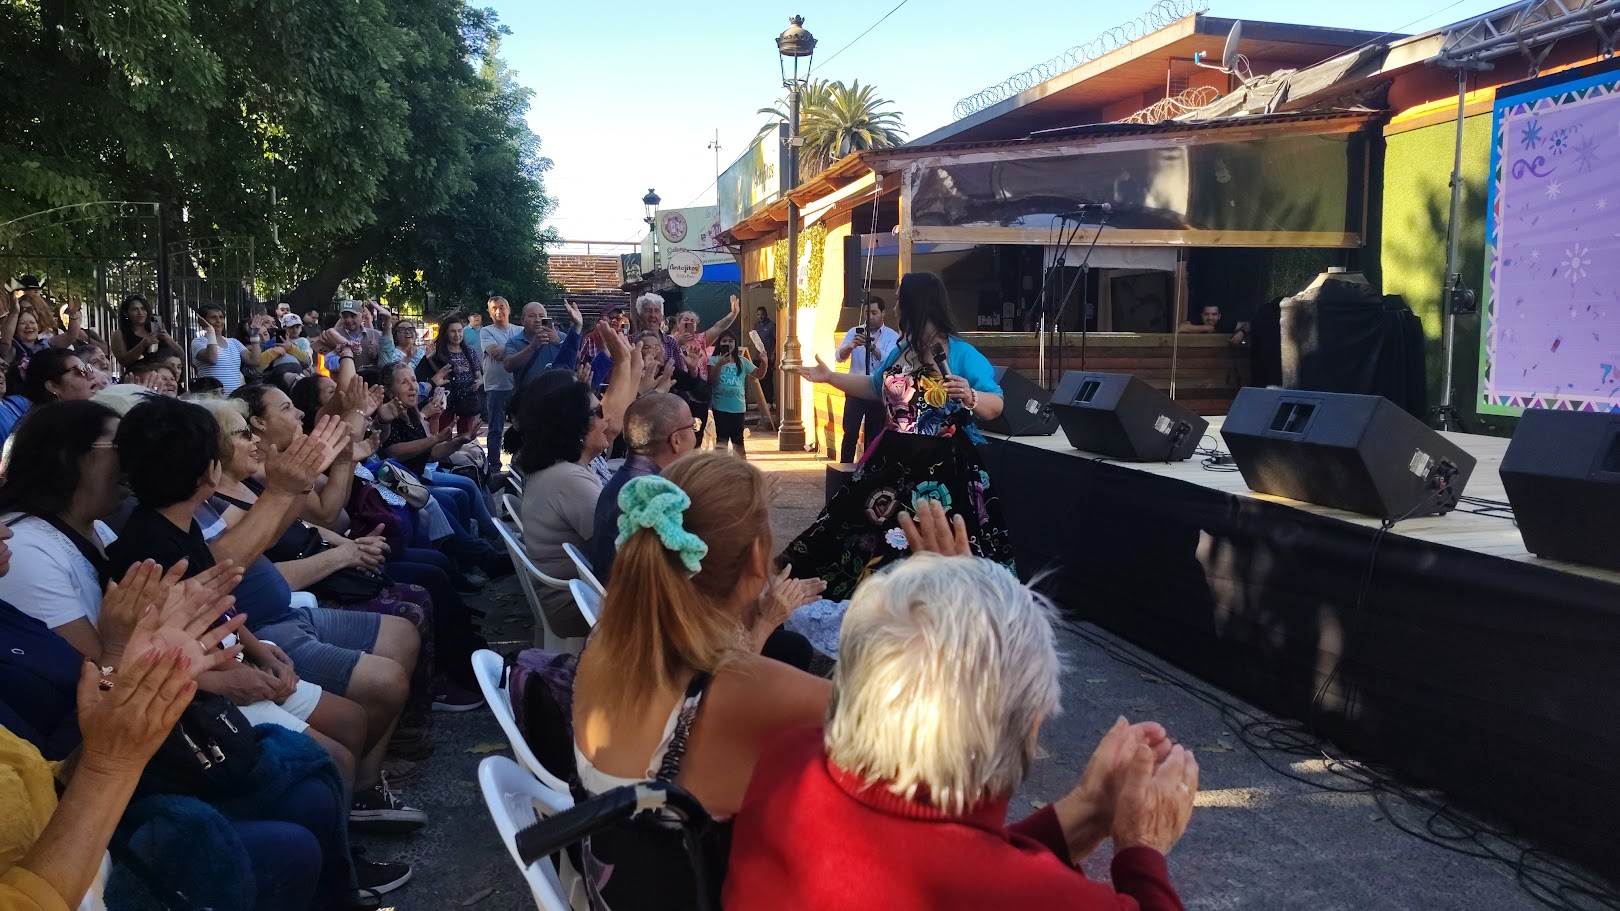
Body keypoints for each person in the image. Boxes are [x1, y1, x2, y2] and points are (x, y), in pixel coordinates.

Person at [724, 552, 1196, 911]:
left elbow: (956, 858)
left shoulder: (789, 761)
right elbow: (981, 875)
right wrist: (1142, 851)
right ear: (1029, 724)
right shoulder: (1034, 896)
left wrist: (1087, 809)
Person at [105, 395, 427, 831]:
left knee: (351, 721)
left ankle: (354, 814)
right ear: (209, 470)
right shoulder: (150, 550)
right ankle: (339, 855)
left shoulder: (176, 524)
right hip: (206, 691)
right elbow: (154, 653)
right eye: (238, 434)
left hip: (243, 652)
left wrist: (260, 649)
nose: (251, 441)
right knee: (336, 757)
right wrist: (237, 672)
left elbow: (217, 608)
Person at [570, 452, 827, 910]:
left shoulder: (610, 637)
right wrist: (954, 584)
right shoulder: (745, 689)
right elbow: (924, 727)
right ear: (755, 557)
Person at [785, 271, 1012, 600]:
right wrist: (829, 377)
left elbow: (996, 404)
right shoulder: (901, 352)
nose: (894, 308)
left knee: (927, 545)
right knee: (860, 531)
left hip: (942, 470)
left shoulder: (961, 354)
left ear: (915, 304)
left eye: (898, 301)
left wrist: (970, 395)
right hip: (894, 460)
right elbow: (875, 387)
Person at [514, 325, 636, 642]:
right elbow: (628, 549)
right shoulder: (568, 479)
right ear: (578, 426)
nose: (606, 418)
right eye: (597, 412)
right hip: (581, 606)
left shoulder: (562, 466)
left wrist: (627, 363)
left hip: (581, 595)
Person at [588, 392, 694, 584]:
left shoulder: (629, 481)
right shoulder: (651, 495)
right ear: (675, 440)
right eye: (693, 427)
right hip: (638, 606)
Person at [835, 294, 901, 463]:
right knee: (850, 432)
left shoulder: (891, 336)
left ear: (883, 313)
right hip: (855, 389)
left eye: (874, 313)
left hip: (877, 390)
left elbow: (891, 360)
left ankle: (869, 470)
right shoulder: (853, 332)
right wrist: (850, 346)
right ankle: (845, 471)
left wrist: (873, 348)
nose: (870, 317)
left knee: (875, 434)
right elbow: (839, 356)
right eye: (867, 313)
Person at [670, 296, 740, 443]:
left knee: (697, 435)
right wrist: (678, 342)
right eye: (686, 320)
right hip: (678, 395)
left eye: (693, 321)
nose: (689, 323)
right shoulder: (670, 340)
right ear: (678, 323)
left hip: (699, 393)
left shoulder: (701, 339)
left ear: (697, 325)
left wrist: (733, 313)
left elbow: (718, 327)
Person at [0, 348, 98, 447]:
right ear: (53, 386)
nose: (91, 376)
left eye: (87, 368)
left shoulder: (72, 417)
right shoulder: (43, 430)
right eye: (80, 370)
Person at [478, 296, 525, 477]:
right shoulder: (486, 332)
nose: (499, 311)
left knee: (521, 425)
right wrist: (518, 348)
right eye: (494, 308)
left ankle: (519, 462)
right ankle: (494, 466)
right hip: (496, 386)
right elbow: (495, 354)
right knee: (496, 428)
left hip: (518, 385)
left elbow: (503, 351)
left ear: (509, 309)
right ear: (490, 313)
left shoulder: (520, 330)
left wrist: (507, 349)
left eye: (502, 307)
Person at [421, 313, 482, 435]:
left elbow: (479, 374)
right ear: (446, 333)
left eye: (460, 331)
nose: (457, 335)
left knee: (465, 434)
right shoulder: (438, 353)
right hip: (446, 399)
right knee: (444, 432)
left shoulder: (469, 352)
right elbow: (439, 375)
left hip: (466, 398)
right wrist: (430, 359)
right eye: (453, 331)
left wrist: (479, 381)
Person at [505, 301, 583, 389]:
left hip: (557, 394)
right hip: (527, 396)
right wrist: (532, 347)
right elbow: (508, 366)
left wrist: (558, 342)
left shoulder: (561, 337)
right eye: (532, 316)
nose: (538, 320)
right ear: (522, 321)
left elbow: (577, 360)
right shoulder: (514, 341)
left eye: (541, 316)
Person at [190, 303, 257, 394]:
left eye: (221, 317)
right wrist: (210, 331)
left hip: (234, 399)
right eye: (213, 317)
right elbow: (212, 358)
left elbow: (254, 361)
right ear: (202, 321)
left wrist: (255, 336)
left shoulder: (234, 342)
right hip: (212, 400)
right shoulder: (198, 342)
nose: (218, 321)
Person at [707, 334, 755, 458]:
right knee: (721, 440)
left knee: (738, 440)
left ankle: (741, 468)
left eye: (730, 341)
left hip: (738, 407)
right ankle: (721, 468)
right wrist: (719, 365)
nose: (727, 344)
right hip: (720, 407)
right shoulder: (713, 360)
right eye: (724, 341)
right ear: (719, 343)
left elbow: (759, 374)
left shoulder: (742, 361)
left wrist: (764, 360)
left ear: (735, 343)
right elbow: (712, 381)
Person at [110, 295, 182, 371]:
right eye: (135, 309)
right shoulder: (119, 334)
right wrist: (143, 344)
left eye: (143, 309)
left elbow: (181, 354)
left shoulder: (155, 326)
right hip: (141, 375)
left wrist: (168, 339)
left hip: (166, 375)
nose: (140, 313)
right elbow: (124, 361)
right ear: (126, 313)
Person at [333, 300, 382, 369]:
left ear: (361, 316)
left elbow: (385, 361)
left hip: (370, 378)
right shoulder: (334, 335)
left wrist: (376, 356)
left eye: (353, 316)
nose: (349, 320)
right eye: (345, 316)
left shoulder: (375, 335)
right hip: (342, 378)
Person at [753, 304, 777, 405]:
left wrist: (773, 354)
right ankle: (761, 402)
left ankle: (769, 401)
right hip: (757, 357)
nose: (760, 317)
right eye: (758, 315)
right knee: (758, 380)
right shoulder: (756, 326)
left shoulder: (772, 325)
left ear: (766, 314)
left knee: (767, 379)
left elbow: (777, 341)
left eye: (762, 314)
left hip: (768, 357)